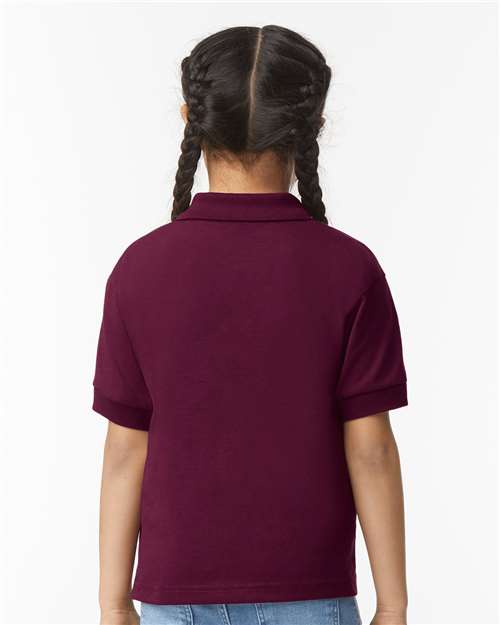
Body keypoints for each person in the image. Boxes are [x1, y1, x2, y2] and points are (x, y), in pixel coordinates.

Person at [93, 25, 409, 625]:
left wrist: (113, 602)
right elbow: (371, 449)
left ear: (190, 119)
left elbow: (125, 448)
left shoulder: (139, 268)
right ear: (312, 127)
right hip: (311, 594)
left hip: (172, 595)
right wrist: (392, 604)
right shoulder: (350, 268)